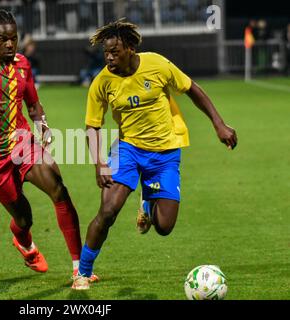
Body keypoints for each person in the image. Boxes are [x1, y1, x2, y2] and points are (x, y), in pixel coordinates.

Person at [72, 19, 237, 290]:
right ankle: (84, 271)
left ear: (130, 49)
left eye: (114, 51)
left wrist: (219, 124)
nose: (109, 57)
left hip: (165, 153)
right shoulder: (102, 82)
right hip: (128, 150)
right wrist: (99, 162)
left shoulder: (157, 65)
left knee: (163, 227)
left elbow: (192, 88)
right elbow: (92, 125)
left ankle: (147, 204)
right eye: (106, 53)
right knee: (109, 209)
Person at [0, 9, 98, 281]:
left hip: (22, 142)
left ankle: (79, 269)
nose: (11, 44)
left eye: (14, 38)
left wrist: (42, 125)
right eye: (5, 39)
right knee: (24, 217)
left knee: (58, 189)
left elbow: (34, 104)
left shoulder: (22, 63)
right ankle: (23, 241)